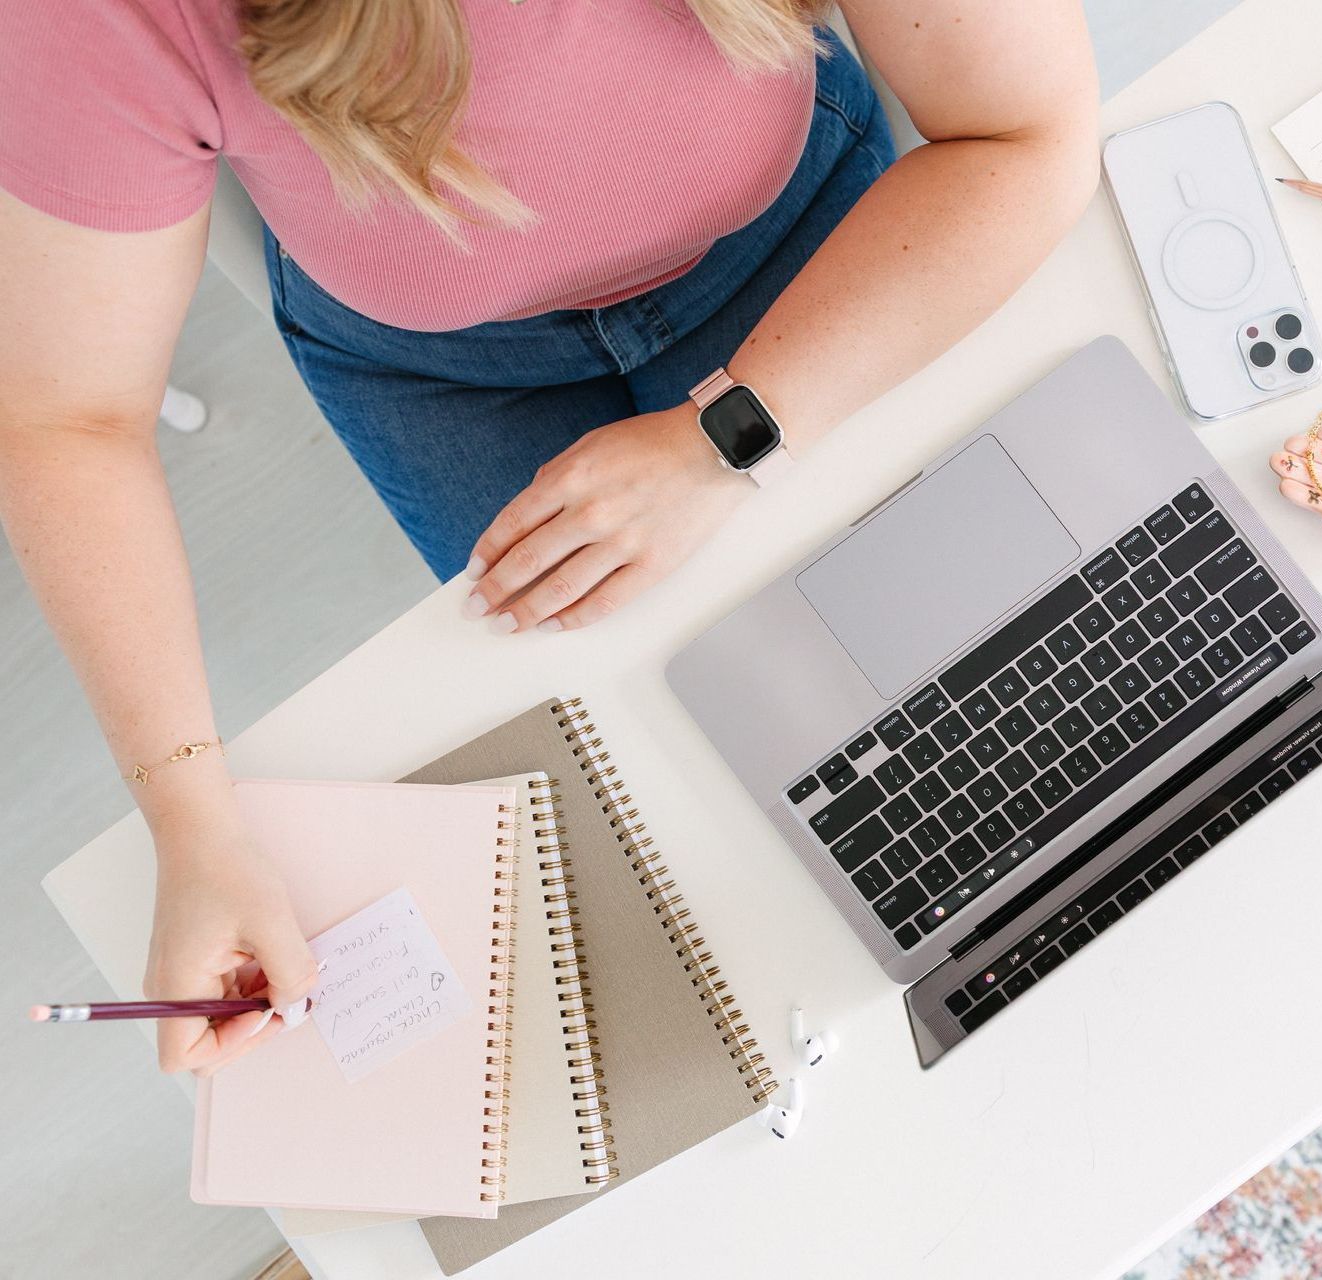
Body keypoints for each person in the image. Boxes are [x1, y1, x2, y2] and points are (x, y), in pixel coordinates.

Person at [0, 0, 1099, 1075]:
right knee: (671, 819)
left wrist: (719, 442)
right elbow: (68, 418)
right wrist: (192, 823)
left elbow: (1028, 134)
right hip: (445, 370)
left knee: (976, 685)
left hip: (800, 237)